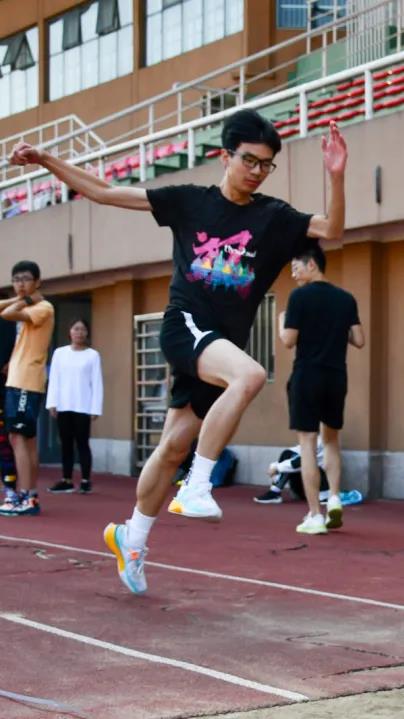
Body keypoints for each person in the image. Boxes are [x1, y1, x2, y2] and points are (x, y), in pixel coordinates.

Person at [10, 111, 347, 593]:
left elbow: (332, 229)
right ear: (225, 156)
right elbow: (105, 192)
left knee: (171, 447)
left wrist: (335, 175)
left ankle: (131, 538)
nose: (256, 171)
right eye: (249, 160)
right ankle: (197, 485)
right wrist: (47, 159)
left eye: (266, 164)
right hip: (185, 326)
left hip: (220, 347)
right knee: (250, 376)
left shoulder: (273, 217)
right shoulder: (190, 201)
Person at [279, 244, 365, 535]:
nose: (293, 274)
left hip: (307, 376)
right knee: (331, 441)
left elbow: (288, 340)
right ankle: (336, 498)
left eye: (296, 268)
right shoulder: (346, 299)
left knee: (307, 443)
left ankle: (315, 514)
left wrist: (281, 322)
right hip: (336, 377)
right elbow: (359, 339)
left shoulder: (299, 297)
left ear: (312, 264)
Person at [0, 261, 54, 516]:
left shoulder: (44, 307)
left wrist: (26, 301)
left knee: (19, 438)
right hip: (17, 379)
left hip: (27, 379)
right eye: (16, 279)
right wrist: (23, 298)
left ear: (37, 281)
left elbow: (7, 314)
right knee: (24, 439)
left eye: (25, 279)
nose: (20, 284)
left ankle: (25, 495)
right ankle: (30, 494)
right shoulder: (30, 303)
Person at [46, 318, 103, 495]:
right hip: (63, 405)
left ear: (87, 333)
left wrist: (95, 408)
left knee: (82, 443)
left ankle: (85, 480)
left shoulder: (92, 355)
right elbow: (54, 379)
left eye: (82, 329)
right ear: (70, 332)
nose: (79, 332)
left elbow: (97, 382)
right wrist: (52, 403)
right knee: (66, 444)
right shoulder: (59, 353)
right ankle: (67, 480)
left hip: (83, 406)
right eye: (76, 329)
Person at [253, 436, 329, 504]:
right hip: (308, 488)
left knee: (292, 462)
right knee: (288, 453)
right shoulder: (316, 438)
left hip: (323, 489)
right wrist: (275, 466)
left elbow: (300, 462)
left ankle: (275, 492)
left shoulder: (323, 440)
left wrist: (276, 468)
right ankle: (275, 492)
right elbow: (297, 452)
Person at [0, 308, 17, 498]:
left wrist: (11, 362)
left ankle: (9, 484)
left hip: (5, 388)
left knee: (4, 439)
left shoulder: (8, 321)